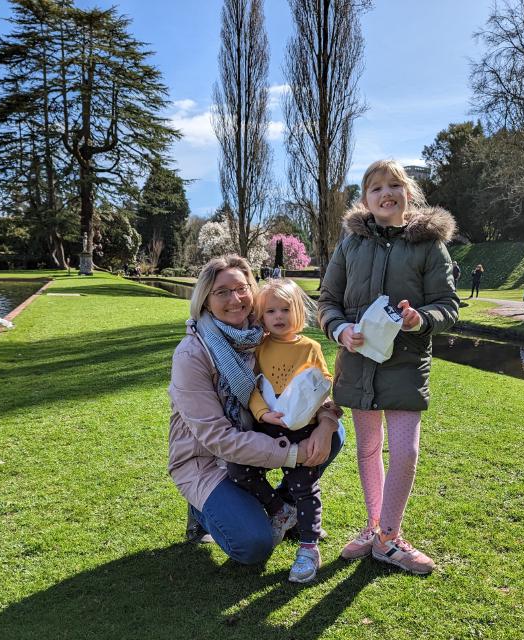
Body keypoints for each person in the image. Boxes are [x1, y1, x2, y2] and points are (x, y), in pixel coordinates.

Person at [318, 159, 459, 575]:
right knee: (366, 448)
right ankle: (372, 526)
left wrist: (421, 318)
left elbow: (448, 305)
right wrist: (340, 330)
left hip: (406, 364)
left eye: (394, 185)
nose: (386, 193)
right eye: (376, 187)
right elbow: (328, 299)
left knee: (406, 452)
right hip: (358, 363)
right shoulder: (350, 244)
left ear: (408, 194)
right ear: (365, 199)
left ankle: (389, 537)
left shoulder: (429, 246)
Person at [168, 255, 342, 566]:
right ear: (206, 300)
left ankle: (288, 509)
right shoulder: (192, 354)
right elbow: (217, 438)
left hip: (257, 438)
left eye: (241, 288)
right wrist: (295, 454)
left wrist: (327, 424)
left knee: (333, 435)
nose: (234, 299)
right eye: (222, 292)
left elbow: (313, 386)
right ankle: (201, 510)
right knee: (254, 546)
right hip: (209, 461)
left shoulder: (263, 337)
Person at [226, 278, 342, 583]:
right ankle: (279, 509)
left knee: (304, 486)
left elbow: (323, 382)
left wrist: (320, 409)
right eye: (271, 311)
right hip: (267, 429)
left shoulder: (311, 347)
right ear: (261, 317)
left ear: (299, 311)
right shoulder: (259, 347)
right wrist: (263, 412)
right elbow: (250, 387)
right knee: (239, 470)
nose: (279, 316)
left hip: (303, 430)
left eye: (285, 309)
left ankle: (308, 547)